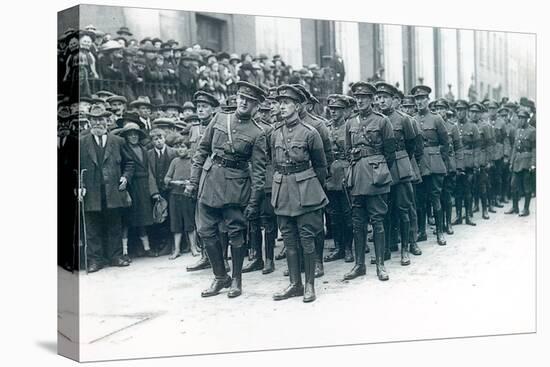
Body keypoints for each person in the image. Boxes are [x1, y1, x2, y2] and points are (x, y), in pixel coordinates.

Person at [185, 81, 267, 298]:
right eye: (241, 98)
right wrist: (193, 181)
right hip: (209, 182)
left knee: (236, 235)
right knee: (205, 232)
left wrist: (253, 203)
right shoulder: (220, 118)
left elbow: (258, 173)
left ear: (256, 106)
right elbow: (202, 150)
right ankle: (220, 276)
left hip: (235, 189)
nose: (243, 103)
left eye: (249, 101)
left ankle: (237, 279)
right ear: (236, 98)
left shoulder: (258, 133)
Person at [271, 85, 328, 302]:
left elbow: (321, 166)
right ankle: (294, 284)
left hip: (305, 190)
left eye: (286, 103)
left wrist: (312, 188)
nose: (282, 106)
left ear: (297, 106)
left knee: (307, 238)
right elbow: (273, 161)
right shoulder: (275, 132)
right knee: (289, 238)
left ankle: (310, 285)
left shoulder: (310, 133)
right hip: (282, 189)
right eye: (280, 102)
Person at [343, 82, 395, 281]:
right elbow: (348, 151)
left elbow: (389, 153)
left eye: (364, 97)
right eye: (357, 97)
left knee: (378, 220)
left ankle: (380, 264)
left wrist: (378, 170)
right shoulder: (350, 123)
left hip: (376, 175)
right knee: (357, 222)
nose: (360, 100)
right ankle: (359, 265)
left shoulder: (382, 122)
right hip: (357, 177)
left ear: (372, 99)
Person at [79, 110, 134, 272]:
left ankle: (116, 256)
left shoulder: (117, 141)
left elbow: (129, 163)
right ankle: (95, 260)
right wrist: (80, 185)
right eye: (94, 120)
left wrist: (125, 177)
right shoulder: (82, 142)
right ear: (89, 122)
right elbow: (75, 167)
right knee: (92, 227)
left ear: (107, 121)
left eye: (100, 119)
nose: (97, 123)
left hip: (113, 191)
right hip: (91, 192)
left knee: (114, 224)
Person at [375, 82, 417, 265]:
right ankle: (385, 249)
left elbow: (412, 145)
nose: (381, 101)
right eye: (379, 97)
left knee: (403, 209)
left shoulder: (404, 119)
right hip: (382, 167)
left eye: (385, 97)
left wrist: (402, 161)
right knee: (383, 210)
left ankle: (406, 249)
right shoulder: (375, 119)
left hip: (399, 167)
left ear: (394, 100)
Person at [185, 91, 220, 272]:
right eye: (198, 107)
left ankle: (221, 259)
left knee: (216, 222)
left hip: (212, 178)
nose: (200, 110)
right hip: (197, 177)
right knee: (200, 221)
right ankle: (205, 256)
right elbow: (193, 156)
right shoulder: (194, 129)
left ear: (213, 109)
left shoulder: (217, 127)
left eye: (205, 106)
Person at [242, 101, 278, 274]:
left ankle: (269, 259)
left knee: (268, 219)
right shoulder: (242, 126)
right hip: (246, 178)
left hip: (265, 178)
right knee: (252, 219)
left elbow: (272, 156)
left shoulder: (267, 130)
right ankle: (257, 257)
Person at [411, 85, 449, 246]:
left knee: (435, 198)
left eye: (422, 99)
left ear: (428, 100)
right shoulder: (411, 119)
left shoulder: (436, 119)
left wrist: (441, 162)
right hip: (419, 165)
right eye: (417, 99)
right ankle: (421, 232)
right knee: (419, 200)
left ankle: (440, 232)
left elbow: (445, 143)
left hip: (434, 165)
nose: (420, 102)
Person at [118, 123, 160, 259]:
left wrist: (153, 191)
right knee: (126, 220)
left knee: (142, 218)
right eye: (130, 134)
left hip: (143, 187)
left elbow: (149, 171)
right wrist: (125, 191)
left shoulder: (143, 150)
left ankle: (146, 248)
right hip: (130, 186)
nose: (133, 136)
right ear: (126, 137)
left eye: (135, 134)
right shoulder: (123, 149)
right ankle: (124, 252)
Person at [323, 94, 354, 264]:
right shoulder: (326, 128)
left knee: (348, 214)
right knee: (333, 214)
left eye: (337, 109)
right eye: (332, 109)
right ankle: (338, 248)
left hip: (345, 172)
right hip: (330, 174)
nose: (333, 112)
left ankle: (348, 248)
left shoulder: (349, 127)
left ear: (344, 111)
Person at [434, 98, 464, 235]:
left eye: (442, 108)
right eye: (437, 108)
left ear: (447, 110)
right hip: (435, 164)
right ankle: (439, 225)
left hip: (449, 165)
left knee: (447, 196)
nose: (440, 111)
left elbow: (458, 148)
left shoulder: (452, 127)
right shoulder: (434, 124)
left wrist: (459, 166)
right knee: (436, 197)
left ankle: (448, 223)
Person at [164, 137, 198, 259]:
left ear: (188, 148)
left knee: (189, 221)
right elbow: (166, 178)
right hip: (174, 195)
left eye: (183, 147)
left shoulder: (193, 161)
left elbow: (197, 177)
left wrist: (190, 183)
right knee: (176, 222)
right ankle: (177, 249)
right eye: (178, 147)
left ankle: (193, 247)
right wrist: (175, 182)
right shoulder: (175, 161)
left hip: (188, 195)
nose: (180, 149)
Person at [147, 128, 178, 255]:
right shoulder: (148, 154)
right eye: (155, 139)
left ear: (165, 139)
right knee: (160, 217)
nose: (159, 141)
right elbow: (149, 174)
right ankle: (162, 244)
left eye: (161, 138)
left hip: (172, 190)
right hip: (158, 191)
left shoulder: (173, 152)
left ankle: (174, 245)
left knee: (173, 217)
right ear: (152, 141)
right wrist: (154, 191)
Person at [453, 99, 479, 226]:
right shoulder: (453, 125)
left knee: (468, 190)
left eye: (462, 110)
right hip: (457, 163)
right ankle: (458, 216)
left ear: (466, 111)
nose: (459, 112)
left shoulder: (473, 127)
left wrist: (476, 164)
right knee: (458, 191)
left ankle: (468, 216)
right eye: (457, 110)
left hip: (469, 163)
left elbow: (477, 147)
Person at [505, 109, 535, 216]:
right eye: (519, 118)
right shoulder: (517, 130)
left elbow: (534, 149)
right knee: (513, 185)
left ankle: (526, 209)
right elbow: (514, 148)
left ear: (527, 119)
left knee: (527, 186)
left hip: (527, 161)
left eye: (523, 118)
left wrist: (533, 163)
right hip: (517, 161)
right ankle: (515, 207)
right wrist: (511, 162)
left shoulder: (532, 131)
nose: (521, 120)